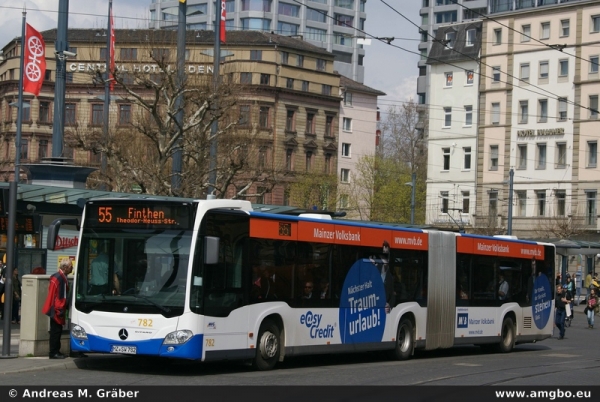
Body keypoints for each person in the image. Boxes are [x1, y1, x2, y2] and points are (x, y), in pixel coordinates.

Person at [42, 259, 73, 359]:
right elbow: (60, 296)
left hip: (53, 307)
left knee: (55, 330)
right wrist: (60, 309)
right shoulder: (60, 278)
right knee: (56, 331)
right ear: (65, 268)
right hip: (57, 308)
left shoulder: (56, 276)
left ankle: (54, 351)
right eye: (70, 266)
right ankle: (54, 352)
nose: (72, 268)